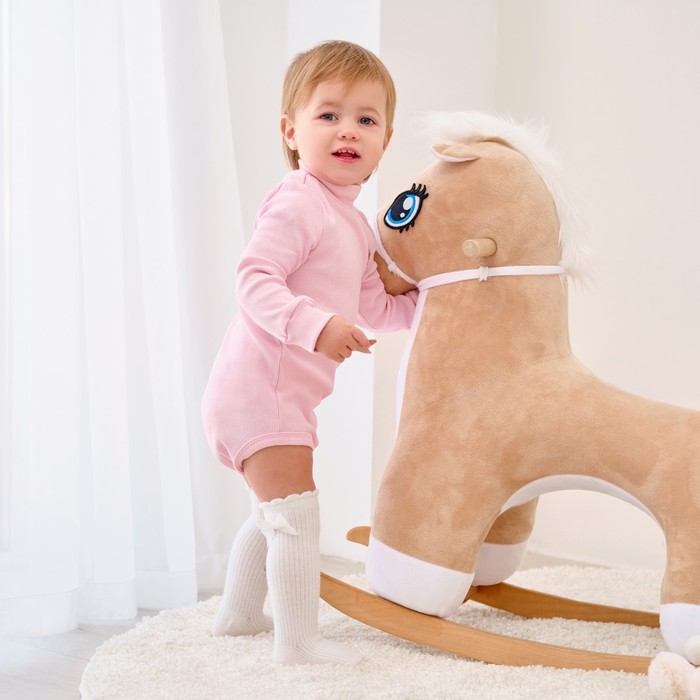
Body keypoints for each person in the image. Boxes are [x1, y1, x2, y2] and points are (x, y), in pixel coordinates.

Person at [201, 39, 416, 665]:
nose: (348, 130)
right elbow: (254, 278)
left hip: (278, 395)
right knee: (296, 515)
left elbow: (376, 306)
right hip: (258, 391)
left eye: (366, 119)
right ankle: (298, 646)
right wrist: (315, 325)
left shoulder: (354, 223)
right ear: (291, 132)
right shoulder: (299, 200)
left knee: (274, 511)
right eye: (329, 115)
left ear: (385, 140)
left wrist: (438, 305)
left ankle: (239, 616)